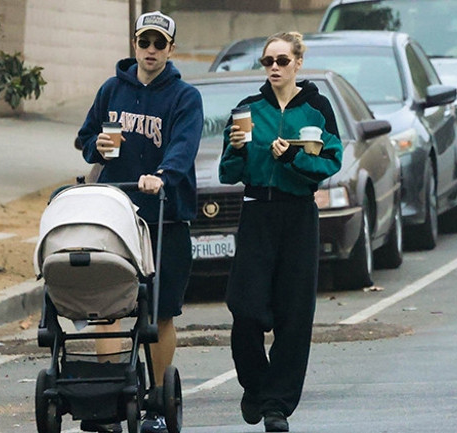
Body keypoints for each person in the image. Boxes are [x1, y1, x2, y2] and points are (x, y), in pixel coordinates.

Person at [76, 10, 203, 433]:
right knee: (108, 307)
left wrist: (162, 176)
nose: (150, 51)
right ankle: (109, 401)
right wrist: (99, 144)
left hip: (166, 216)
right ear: (134, 45)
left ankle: (157, 405)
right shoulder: (112, 89)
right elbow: (86, 139)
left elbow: (184, 148)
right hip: (117, 216)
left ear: (171, 48)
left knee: (160, 313)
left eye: (159, 44)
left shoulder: (185, 97)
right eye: (144, 43)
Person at [219, 31, 343, 433]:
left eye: (282, 61)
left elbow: (332, 161)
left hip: (298, 215)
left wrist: (292, 157)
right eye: (268, 61)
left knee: (294, 315)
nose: (274, 67)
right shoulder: (248, 109)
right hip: (257, 213)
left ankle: (277, 406)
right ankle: (255, 387)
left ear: (298, 64)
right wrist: (237, 148)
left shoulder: (317, 108)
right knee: (246, 309)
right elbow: (228, 172)